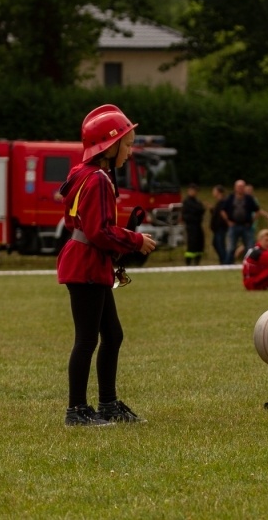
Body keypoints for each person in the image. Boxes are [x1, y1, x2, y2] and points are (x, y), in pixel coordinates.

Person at [57, 104, 156, 426]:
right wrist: (134, 240)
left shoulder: (83, 172)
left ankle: (108, 403)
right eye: (127, 145)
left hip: (89, 263)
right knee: (87, 339)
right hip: (86, 265)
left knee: (112, 336)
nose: (130, 151)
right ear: (110, 146)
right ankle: (77, 410)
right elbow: (98, 231)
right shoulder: (98, 178)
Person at [221, 179, 260, 263]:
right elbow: (223, 210)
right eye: (239, 187)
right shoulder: (230, 198)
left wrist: (252, 221)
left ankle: (250, 263)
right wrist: (228, 221)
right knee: (231, 247)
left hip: (246, 226)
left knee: (249, 247)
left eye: (242, 187)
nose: (240, 189)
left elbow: (257, 210)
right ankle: (228, 264)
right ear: (235, 188)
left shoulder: (249, 198)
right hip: (234, 225)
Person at [182, 183, 206, 266]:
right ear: (189, 191)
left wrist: (197, 211)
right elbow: (196, 210)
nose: (195, 192)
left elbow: (201, 209)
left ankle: (197, 261)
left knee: (200, 243)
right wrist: (197, 211)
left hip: (198, 225)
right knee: (192, 244)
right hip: (191, 226)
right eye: (193, 190)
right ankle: (188, 262)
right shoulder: (187, 202)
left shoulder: (197, 201)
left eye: (196, 191)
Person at [209, 185, 230, 264]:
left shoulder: (223, 202)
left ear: (218, 192)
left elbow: (222, 214)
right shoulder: (218, 202)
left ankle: (225, 260)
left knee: (220, 244)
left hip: (221, 227)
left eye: (214, 191)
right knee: (216, 243)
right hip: (217, 228)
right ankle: (222, 259)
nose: (213, 193)